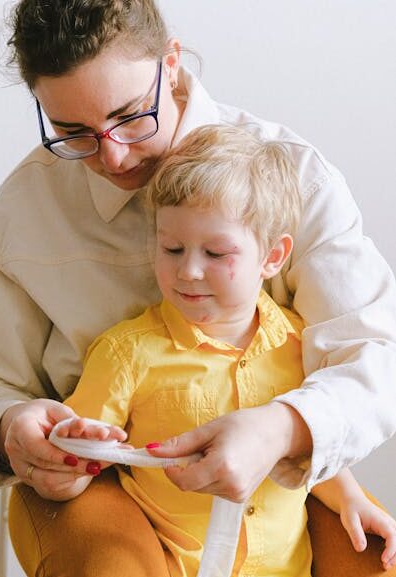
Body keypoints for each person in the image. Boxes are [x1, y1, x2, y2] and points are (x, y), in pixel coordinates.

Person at [0, 1, 395, 576]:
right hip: (99, 482)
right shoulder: (18, 219)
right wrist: (14, 429)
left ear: (170, 62)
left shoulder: (296, 180)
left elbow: (374, 355)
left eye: (129, 115)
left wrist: (281, 428)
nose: (111, 156)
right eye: (73, 133)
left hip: (272, 466)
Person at [53, 124, 396, 577]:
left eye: (216, 253)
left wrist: (348, 495)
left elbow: (302, 451)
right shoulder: (126, 354)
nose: (189, 271)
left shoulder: (297, 343)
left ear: (273, 257)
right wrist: (82, 448)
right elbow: (72, 461)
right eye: (171, 248)